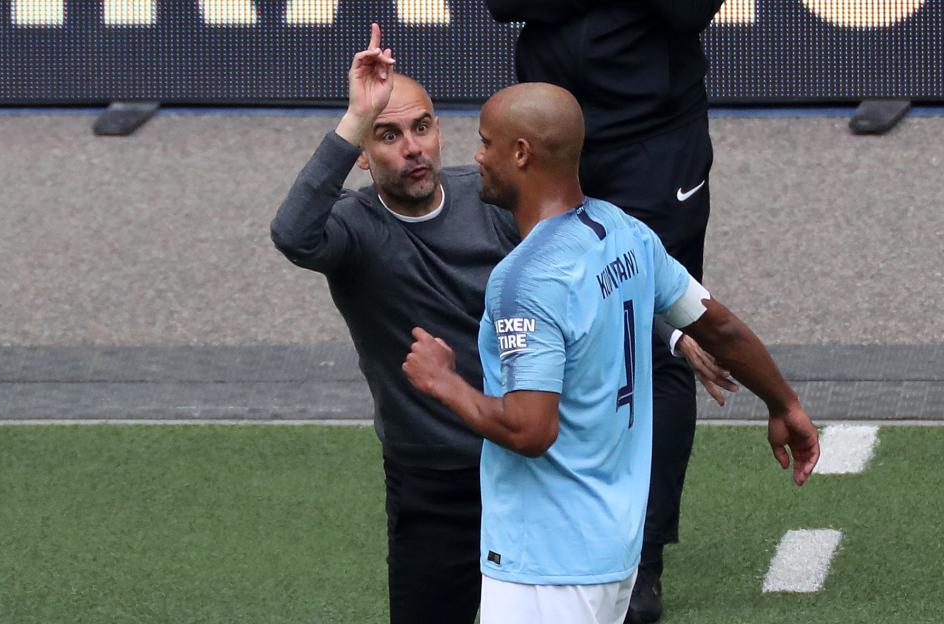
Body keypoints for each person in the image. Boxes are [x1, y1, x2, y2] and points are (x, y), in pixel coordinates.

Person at [272, 23, 733, 624]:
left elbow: (579, 283)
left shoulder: (487, 201)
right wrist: (355, 116)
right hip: (431, 482)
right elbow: (292, 233)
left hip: (521, 473)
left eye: (423, 127)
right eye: (387, 136)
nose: (413, 148)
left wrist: (671, 332)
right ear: (363, 153)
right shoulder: (353, 231)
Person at [402, 83, 819, 624]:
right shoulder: (622, 232)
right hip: (613, 551)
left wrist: (443, 382)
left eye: (486, 143)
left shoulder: (525, 281)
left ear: (522, 153)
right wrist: (783, 403)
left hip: (546, 563)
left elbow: (531, 430)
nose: (477, 157)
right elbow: (718, 326)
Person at [483, 2, 728, 619]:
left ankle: (643, 555)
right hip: (547, 138)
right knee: (549, 328)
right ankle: (547, 530)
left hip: (656, 139)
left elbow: (686, 9)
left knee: (662, 339)